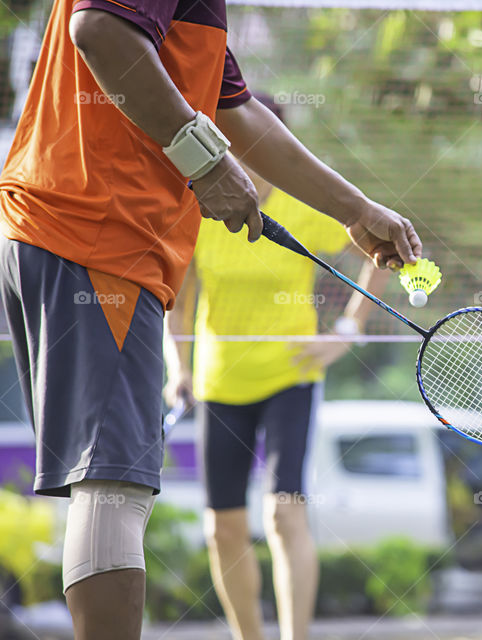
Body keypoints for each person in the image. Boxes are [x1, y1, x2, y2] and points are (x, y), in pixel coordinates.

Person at [0, 1, 421, 638]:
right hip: (98, 237)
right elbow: (100, 29)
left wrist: (353, 209)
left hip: (79, 236)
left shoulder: (199, 18)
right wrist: (203, 158)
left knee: (113, 485)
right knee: (113, 485)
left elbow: (234, 111)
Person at [163, 95, 387, 640]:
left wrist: (345, 335)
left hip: (292, 374)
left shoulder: (304, 205)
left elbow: (380, 252)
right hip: (220, 381)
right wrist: (179, 370)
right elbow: (180, 302)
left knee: (285, 514)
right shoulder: (202, 207)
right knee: (223, 528)